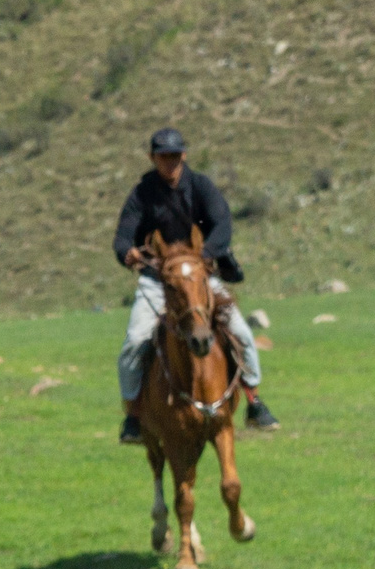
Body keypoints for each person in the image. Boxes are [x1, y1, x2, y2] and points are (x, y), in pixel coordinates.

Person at [114, 127, 276, 442]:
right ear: (153, 158)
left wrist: (205, 256)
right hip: (157, 281)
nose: (170, 162)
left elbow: (222, 223)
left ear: (184, 155)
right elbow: (123, 235)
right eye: (163, 156)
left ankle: (254, 401)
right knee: (134, 341)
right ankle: (133, 415)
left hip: (200, 277)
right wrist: (127, 252)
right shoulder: (142, 193)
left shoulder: (200, 186)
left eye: (175, 155)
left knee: (240, 332)